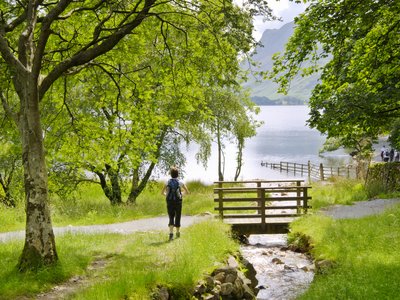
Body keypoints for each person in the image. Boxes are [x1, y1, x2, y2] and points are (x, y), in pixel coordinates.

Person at [161, 167, 189, 241]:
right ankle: (177, 232)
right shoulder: (180, 182)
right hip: (178, 202)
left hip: (169, 201)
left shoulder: (167, 182)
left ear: (171, 174)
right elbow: (187, 192)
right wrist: (181, 194)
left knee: (171, 217)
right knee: (178, 216)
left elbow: (162, 193)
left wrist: (167, 195)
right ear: (178, 174)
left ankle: (171, 234)